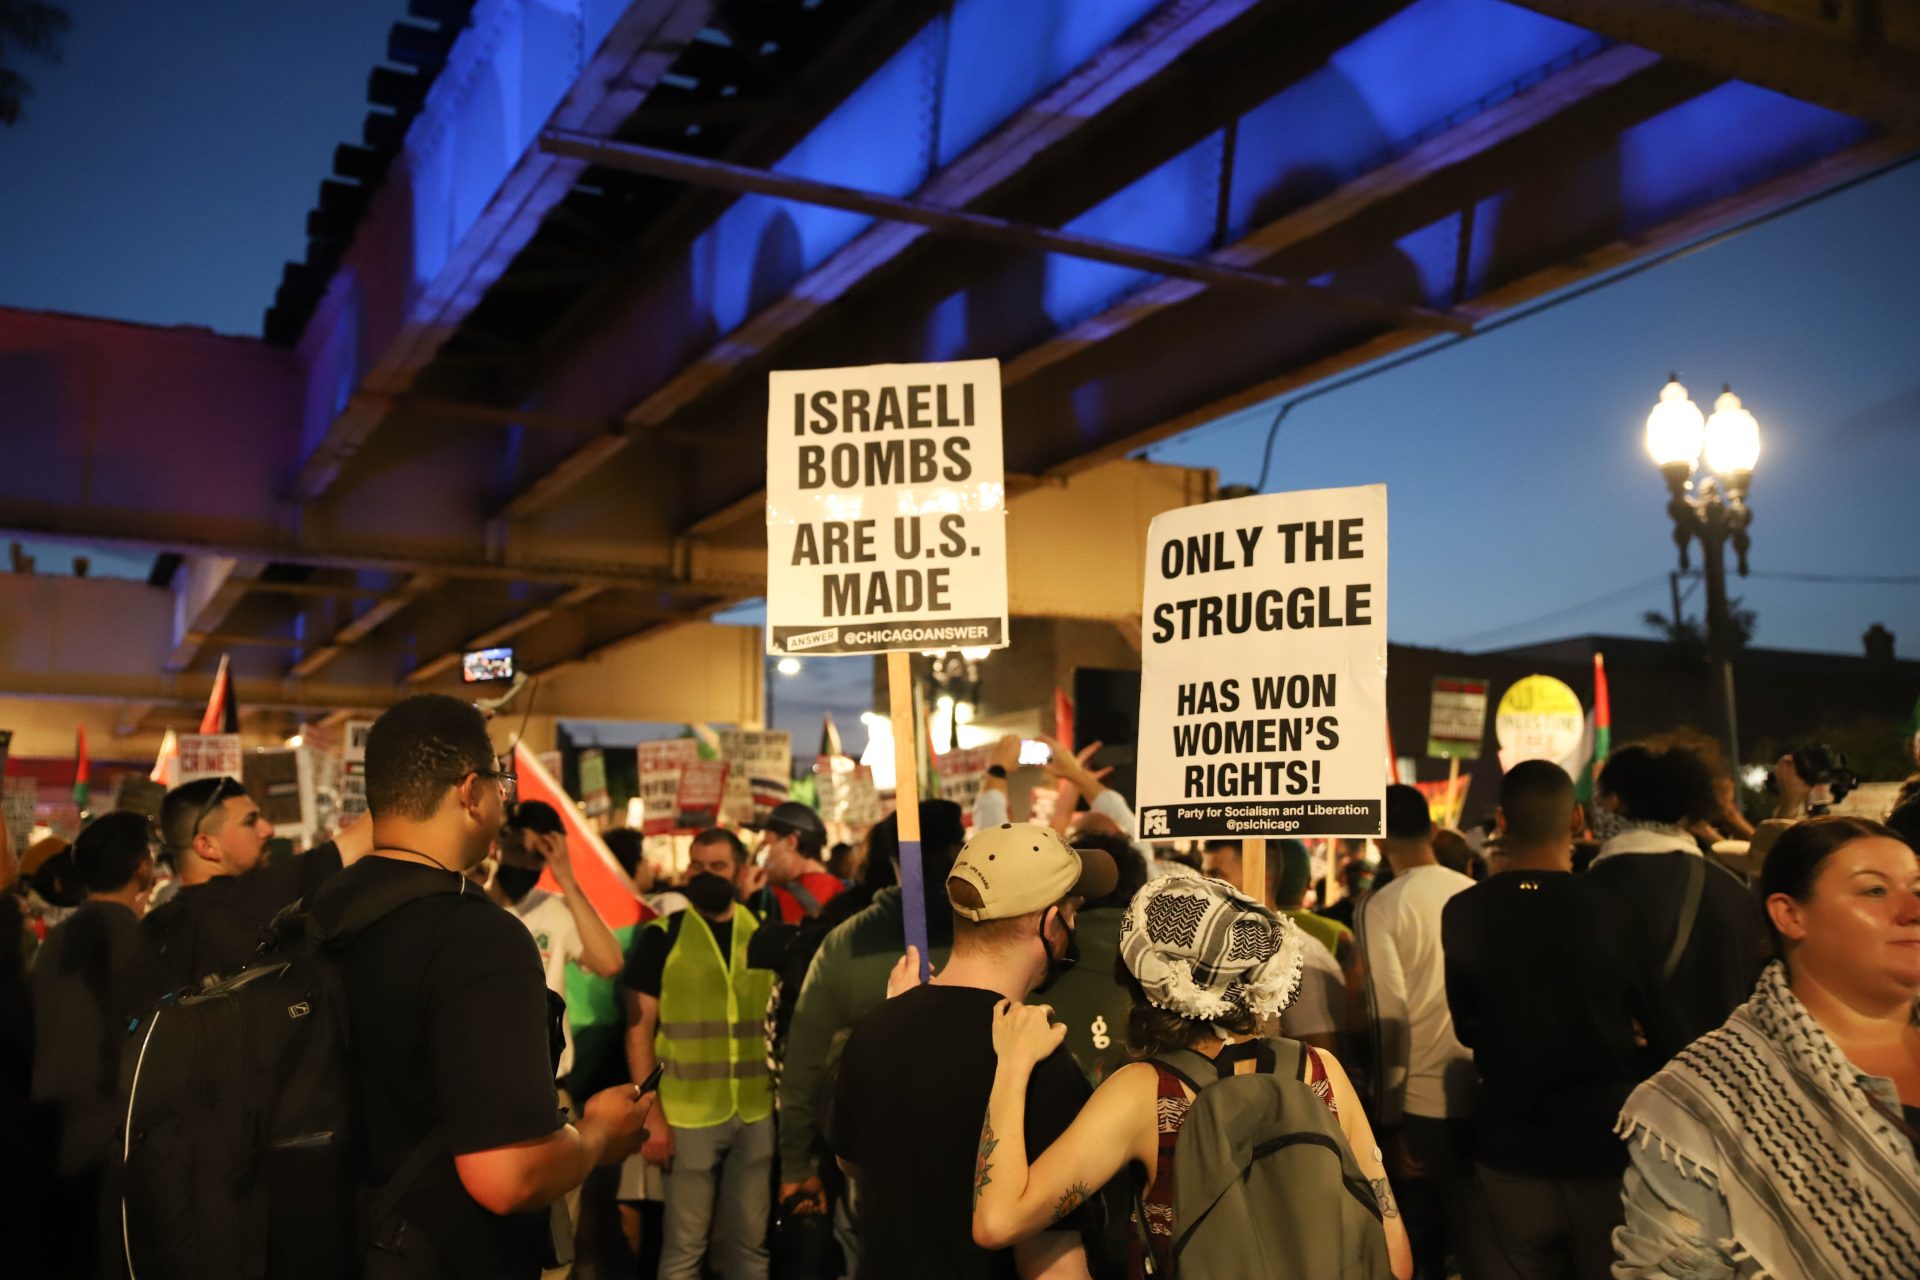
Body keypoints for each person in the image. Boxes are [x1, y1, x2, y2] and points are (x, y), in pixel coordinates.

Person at [310, 694, 653, 1279]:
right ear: (470, 792)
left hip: (331, 1242)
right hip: (441, 1255)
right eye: (502, 781)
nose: (505, 796)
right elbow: (506, 1175)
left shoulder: (318, 910)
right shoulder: (479, 937)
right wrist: (597, 1135)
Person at [968, 867, 1411, 1280]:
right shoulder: (1319, 1071)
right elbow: (1395, 1259)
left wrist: (1011, 1065)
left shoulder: (1146, 1091)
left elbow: (998, 1222)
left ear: (1138, 979)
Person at [1615, 817, 1920, 1278]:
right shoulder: (1709, 1095)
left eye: (1917, 886)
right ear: (1790, 915)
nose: (1912, 908)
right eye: (1874, 891)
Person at [831, 823, 1118, 1278]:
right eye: (1071, 910)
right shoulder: (1036, 1058)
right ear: (1049, 922)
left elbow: (851, 1160)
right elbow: (1052, 1266)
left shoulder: (874, 1028)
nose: (1075, 923)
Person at [1442, 761, 1647, 1280]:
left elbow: (1466, 1028)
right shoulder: (1617, 904)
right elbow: (1641, 1012)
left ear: (1502, 823)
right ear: (1577, 819)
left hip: (1509, 1136)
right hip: (1602, 1137)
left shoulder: (1464, 910)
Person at [774, 803, 965, 1243]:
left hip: (872, 1160)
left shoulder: (844, 943)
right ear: (955, 853)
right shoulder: (991, 935)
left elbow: (804, 1063)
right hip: (974, 1155)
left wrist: (796, 1164)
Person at [624, 826, 774, 1280]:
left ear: (740, 872)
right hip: (686, 1118)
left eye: (718, 867)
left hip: (754, 1113)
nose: (704, 875)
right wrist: (652, 1116)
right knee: (684, 1252)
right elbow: (638, 1030)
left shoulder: (765, 935)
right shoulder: (661, 936)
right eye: (697, 866)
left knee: (750, 1252)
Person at [26, 812, 164, 1278]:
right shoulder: (133, 942)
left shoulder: (56, 939)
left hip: (46, 1146)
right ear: (143, 870)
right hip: (104, 1156)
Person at [1585, 742, 1769, 1065]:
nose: (1594, 805)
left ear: (1614, 802)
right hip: (1723, 1090)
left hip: (1629, 1097)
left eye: (1599, 796)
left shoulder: (1587, 891)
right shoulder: (1734, 892)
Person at [1357, 783, 1476, 1280]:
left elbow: (1391, 1018)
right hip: (1480, 1094)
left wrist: (1388, 1123)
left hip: (1419, 1107)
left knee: (1418, 1253)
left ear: (1378, 841)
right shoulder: (1471, 893)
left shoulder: (1382, 906)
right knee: (1473, 1247)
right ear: (1432, 829)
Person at [143, 775, 369, 987]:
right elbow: (368, 834)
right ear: (207, 846)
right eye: (250, 821)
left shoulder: (151, 928)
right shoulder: (251, 894)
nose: (268, 829)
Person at [489, 800, 627, 1082]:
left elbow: (610, 963)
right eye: (519, 850)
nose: (526, 863)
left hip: (546, 1079)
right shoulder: (469, 903)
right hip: (487, 1075)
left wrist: (567, 879)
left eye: (538, 856)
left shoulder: (556, 910)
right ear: (500, 840)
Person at [745, 801, 843, 924]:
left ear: (791, 842)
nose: (765, 857)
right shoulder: (840, 890)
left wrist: (748, 899)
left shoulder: (778, 896)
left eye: (767, 845)